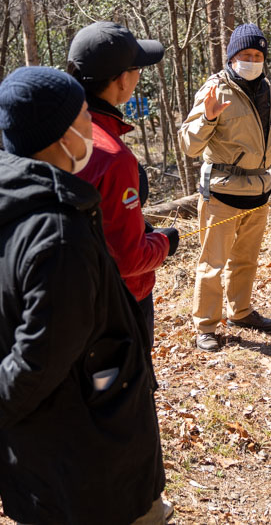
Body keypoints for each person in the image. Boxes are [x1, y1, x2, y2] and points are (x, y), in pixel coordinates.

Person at [0, 67, 167, 524]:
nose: (92, 127)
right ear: (61, 135)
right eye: (84, 115)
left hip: (28, 460)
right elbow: (42, 354)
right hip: (89, 462)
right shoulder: (59, 232)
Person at [179, 24, 271, 351]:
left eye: (258, 55)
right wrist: (208, 118)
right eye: (246, 55)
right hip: (221, 194)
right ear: (232, 57)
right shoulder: (216, 90)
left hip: (258, 190)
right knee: (212, 264)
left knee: (246, 260)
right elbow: (188, 144)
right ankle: (207, 326)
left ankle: (240, 311)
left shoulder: (268, 91)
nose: (252, 60)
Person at [66, 21, 179, 343]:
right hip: (119, 302)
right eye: (137, 69)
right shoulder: (111, 155)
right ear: (120, 80)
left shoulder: (57, 132)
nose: (139, 76)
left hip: (75, 298)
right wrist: (165, 242)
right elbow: (128, 258)